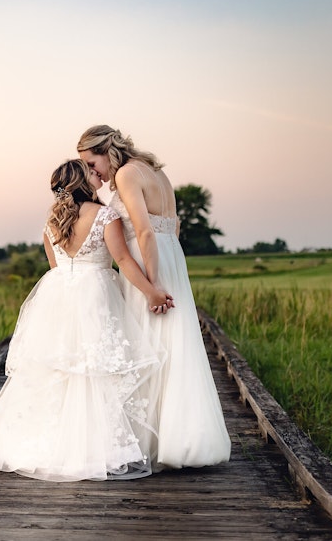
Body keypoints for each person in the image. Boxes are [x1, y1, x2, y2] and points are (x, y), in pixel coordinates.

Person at [0, 159, 170, 482]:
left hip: (59, 296)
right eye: (91, 171)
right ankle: (94, 450)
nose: (97, 173)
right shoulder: (105, 216)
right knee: (93, 370)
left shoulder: (52, 222)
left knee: (60, 371)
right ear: (83, 182)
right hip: (96, 296)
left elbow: (56, 267)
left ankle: (51, 448)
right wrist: (151, 291)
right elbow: (122, 261)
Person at [77, 124, 232, 470]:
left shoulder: (126, 175)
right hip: (171, 253)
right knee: (174, 344)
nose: (91, 171)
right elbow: (172, 227)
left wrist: (153, 285)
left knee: (147, 346)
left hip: (150, 262)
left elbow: (144, 230)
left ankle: (151, 442)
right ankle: (181, 440)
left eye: (91, 163)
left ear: (107, 152)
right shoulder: (155, 171)